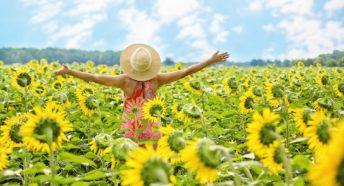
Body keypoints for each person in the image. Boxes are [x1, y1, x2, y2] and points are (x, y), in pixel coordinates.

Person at [54, 43, 229, 142]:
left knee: (133, 167)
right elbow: (186, 71)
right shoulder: (157, 79)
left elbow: (95, 77)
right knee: (150, 166)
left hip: (131, 128)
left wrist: (70, 71)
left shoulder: (125, 81)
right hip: (152, 127)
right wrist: (209, 61)